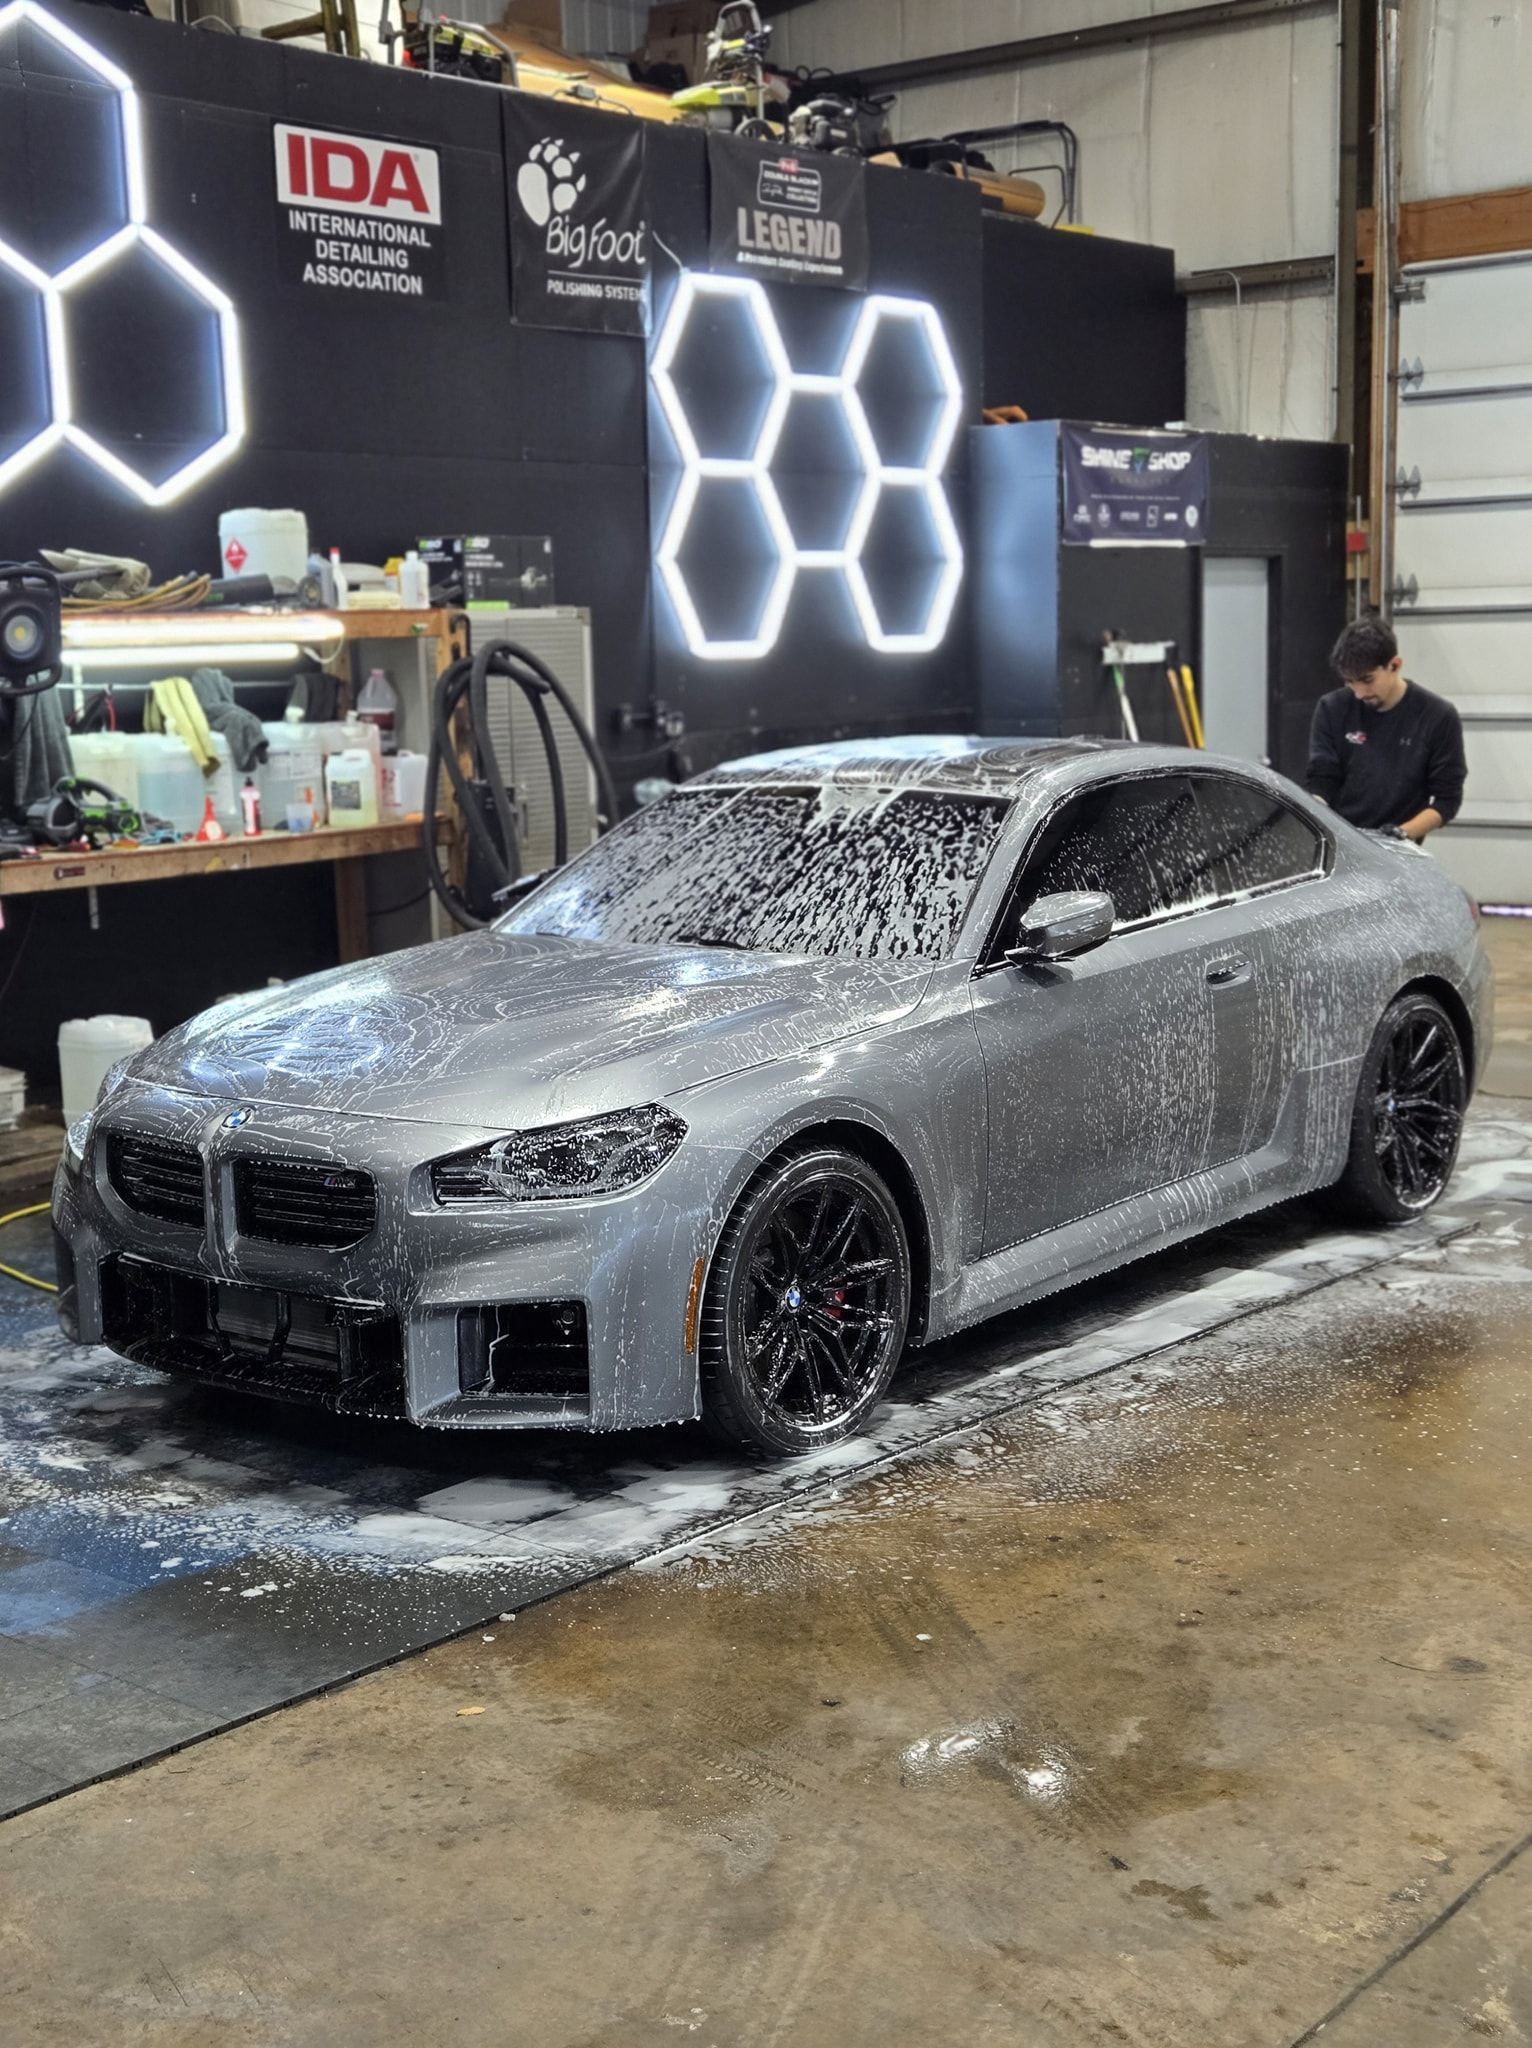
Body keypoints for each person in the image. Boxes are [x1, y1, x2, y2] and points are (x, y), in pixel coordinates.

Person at [1306, 616, 1465, 842]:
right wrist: (1315, 813)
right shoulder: (1331, 708)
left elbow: (1446, 800)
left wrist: (1400, 834)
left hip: (1400, 851)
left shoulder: (1437, 717)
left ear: (1395, 665)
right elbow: (1322, 778)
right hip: (1340, 845)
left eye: (1367, 680)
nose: (1359, 693)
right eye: (1350, 682)